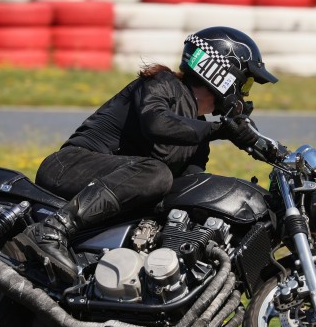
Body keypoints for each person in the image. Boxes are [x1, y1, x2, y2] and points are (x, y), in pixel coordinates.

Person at [14, 26, 279, 285]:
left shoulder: (198, 137)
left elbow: (187, 190)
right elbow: (157, 124)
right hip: (69, 166)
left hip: (109, 188)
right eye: (246, 83)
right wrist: (220, 129)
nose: (245, 94)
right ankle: (51, 230)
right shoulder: (161, 83)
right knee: (157, 173)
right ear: (220, 73)